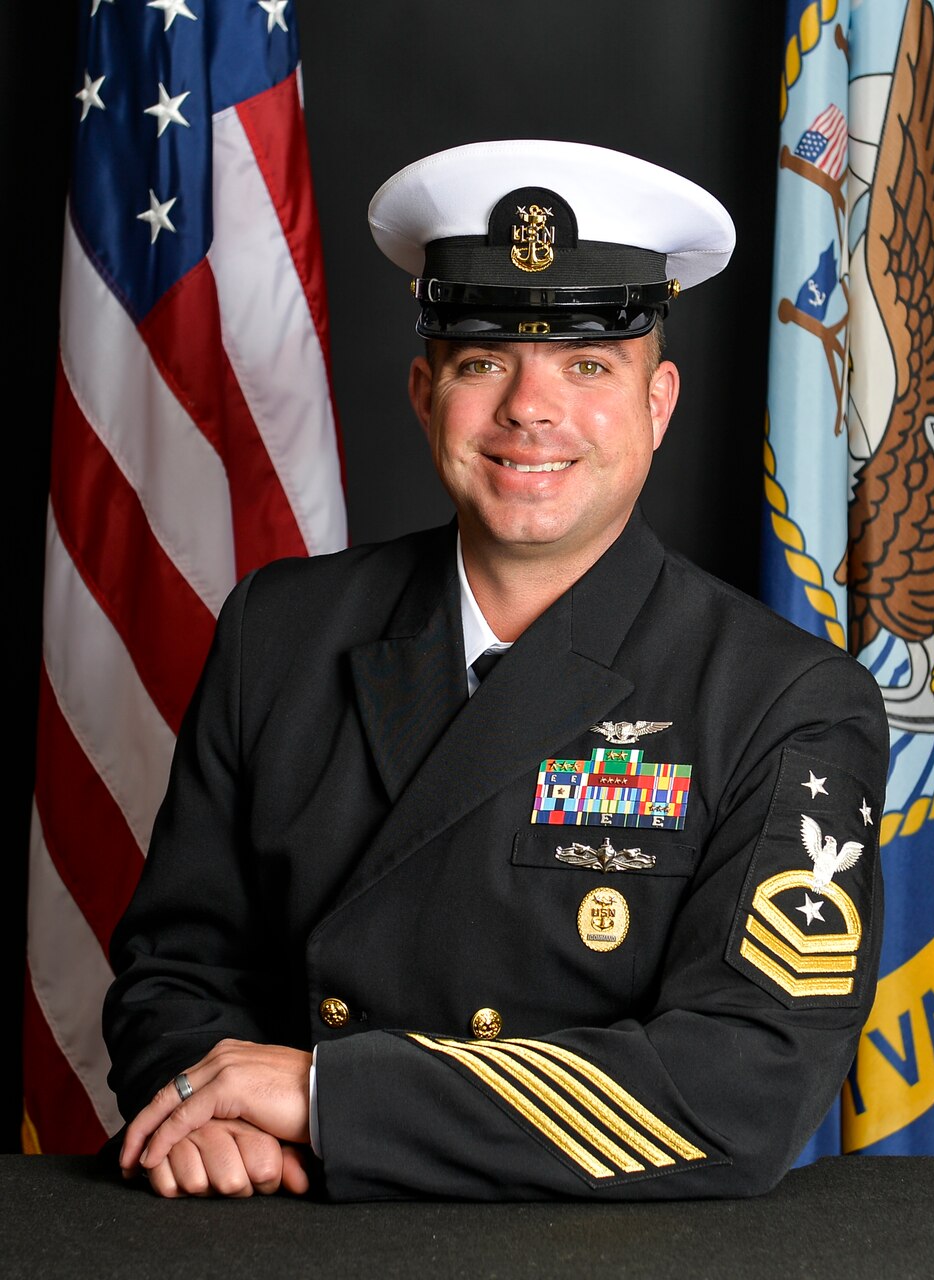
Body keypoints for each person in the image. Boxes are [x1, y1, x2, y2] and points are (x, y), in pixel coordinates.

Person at [104, 139, 889, 1201]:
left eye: (587, 365)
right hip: (286, 1222)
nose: (529, 407)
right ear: (424, 391)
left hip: (601, 1254)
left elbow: (741, 1086)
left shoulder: (783, 702)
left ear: (659, 403)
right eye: (483, 361)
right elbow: (173, 967)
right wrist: (199, 1101)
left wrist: (329, 1096)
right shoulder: (278, 633)